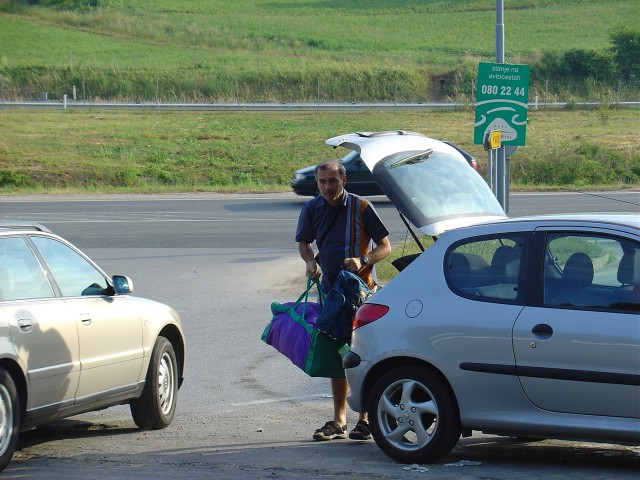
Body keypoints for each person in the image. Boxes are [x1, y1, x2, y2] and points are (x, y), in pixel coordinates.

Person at [295, 159, 391, 442]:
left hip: (361, 293)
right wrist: (310, 262)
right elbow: (304, 243)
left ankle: (366, 419)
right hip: (330, 294)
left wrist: (363, 259)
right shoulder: (311, 208)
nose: (327, 187)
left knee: (362, 353)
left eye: (332, 181)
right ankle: (338, 421)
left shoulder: (362, 207)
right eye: (322, 182)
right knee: (338, 353)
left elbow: (385, 247)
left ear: (344, 181)